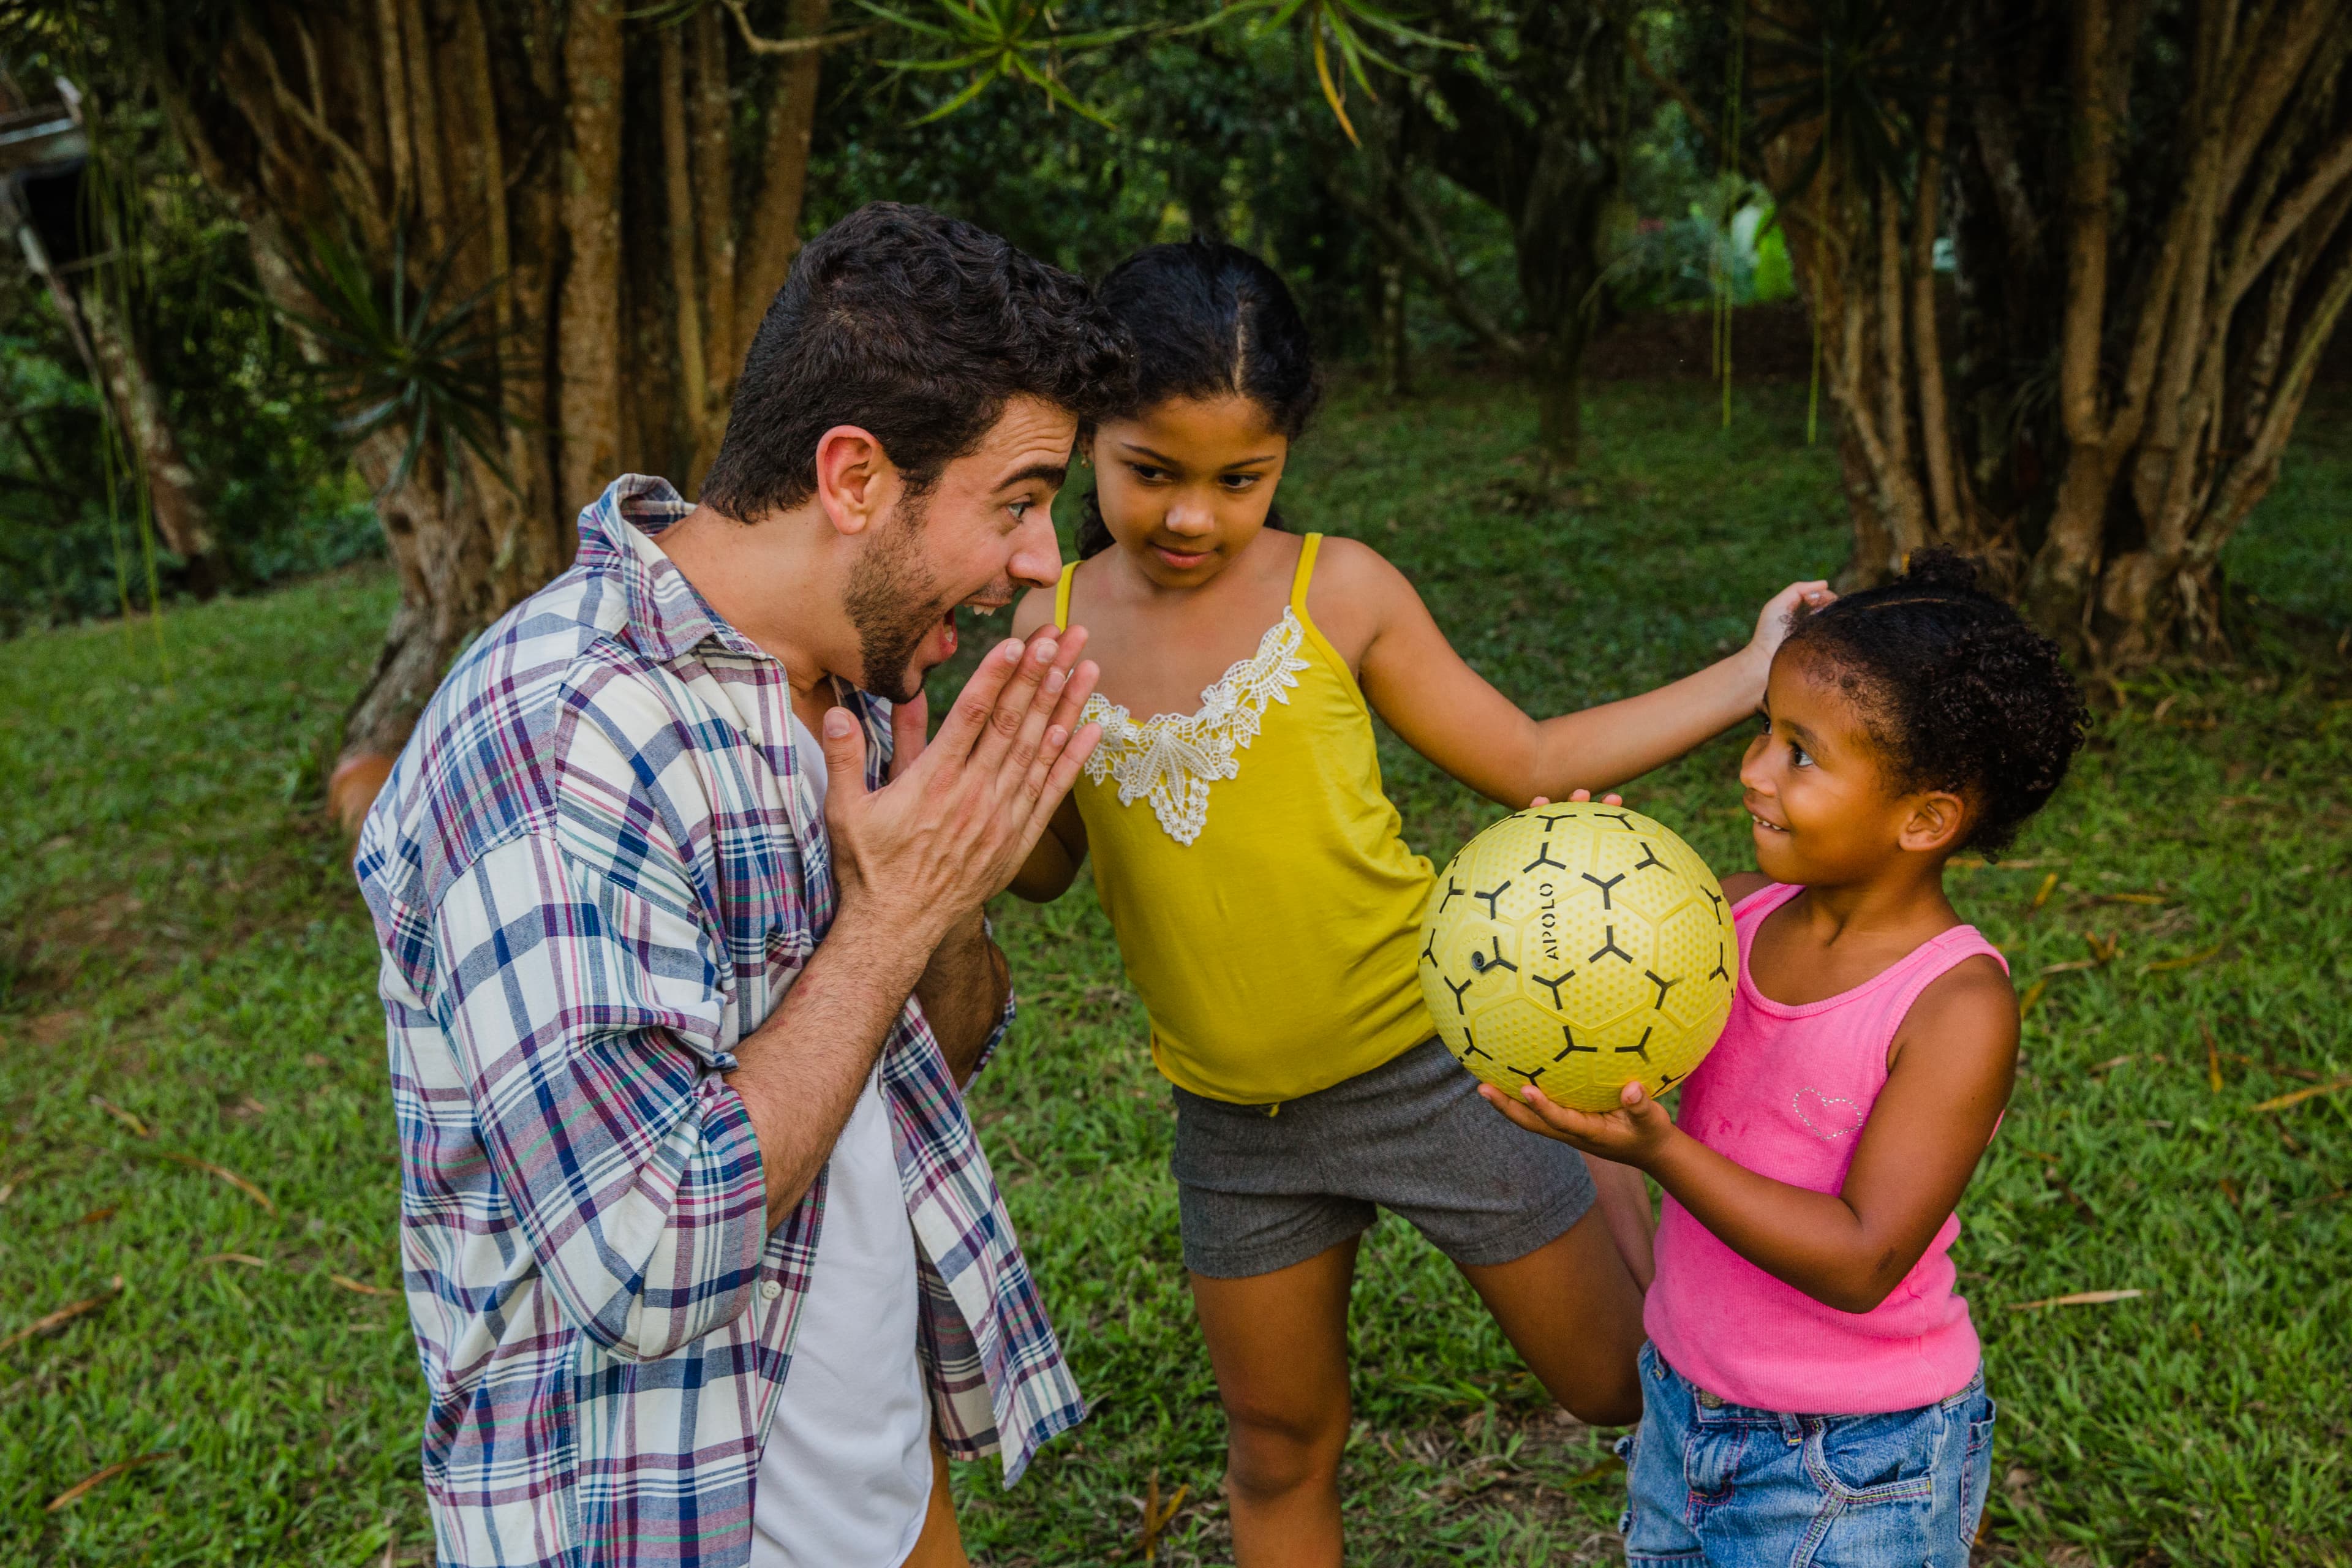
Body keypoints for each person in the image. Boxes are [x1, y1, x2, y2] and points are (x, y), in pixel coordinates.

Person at [1004, 238, 1832, 1564]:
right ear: (1089, 429)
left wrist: (1751, 671)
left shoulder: (1341, 586)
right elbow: (1045, 865)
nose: (1191, 516)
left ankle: (1591, 1150)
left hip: (1434, 1061)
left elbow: (1534, 760)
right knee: (1277, 1442)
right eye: (1150, 470)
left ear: (1285, 456)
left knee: (1614, 1381)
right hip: (1233, 1118)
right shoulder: (1042, 623)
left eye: (1239, 477)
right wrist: (972, 778)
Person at [353, 203, 1126, 1568]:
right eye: (1016, 498)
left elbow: (920, 1053)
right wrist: (889, 916)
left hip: (878, 1471)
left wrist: (940, 893)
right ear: (854, 476)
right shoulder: (560, 741)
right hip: (664, 1510)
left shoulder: (859, 674)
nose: (1039, 560)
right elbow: (648, 1256)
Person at [1485, 552, 2088, 1564]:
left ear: (1926, 818)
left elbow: (1862, 1259)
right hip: (1682, 1415)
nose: (1752, 768)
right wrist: (1588, 884)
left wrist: (1662, 1155)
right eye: (1763, 728)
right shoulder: (1729, 916)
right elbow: (1601, 984)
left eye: (1800, 753)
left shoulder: (1953, 1008)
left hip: (1858, 1461)